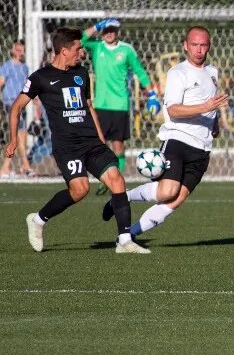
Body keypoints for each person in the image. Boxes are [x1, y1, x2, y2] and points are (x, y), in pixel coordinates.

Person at [4, 27, 147, 253]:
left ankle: (125, 241)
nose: (82, 52)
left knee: (117, 180)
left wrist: (100, 138)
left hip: (91, 142)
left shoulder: (81, 74)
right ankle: (39, 220)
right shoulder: (41, 77)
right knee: (80, 189)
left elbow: (88, 107)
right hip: (67, 146)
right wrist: (12, 140)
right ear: (63, 50)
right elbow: (16, 108)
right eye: (78, 48)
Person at [103, 26, 227, 240]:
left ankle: (129, 235)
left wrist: (213, 124)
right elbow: (173, 110)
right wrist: (205, 108)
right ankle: (122, 197)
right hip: (178, 140)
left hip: (203, 148)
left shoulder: (212, 72)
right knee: (167, 191)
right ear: (185, 46)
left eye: (203, 45)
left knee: (174, 201)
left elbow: (210, 105)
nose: (199, 50)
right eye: (194, 45)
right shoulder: (178, 73)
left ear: (209, 47)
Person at [81, 18, 161, 194]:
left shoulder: (126, 50)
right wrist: (95, 27)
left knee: (118, 146)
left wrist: (152, 94)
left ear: (118, 32)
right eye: (106, 30)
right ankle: (105, 177)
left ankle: (116, 180)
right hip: (100, 104)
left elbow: (140, 71)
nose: (109, 33)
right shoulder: (97, 47)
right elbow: (80, 40)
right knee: (100, 145)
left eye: (112, 30)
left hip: (120, 105)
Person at [0, 40, 39, 177]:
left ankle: (9, 167)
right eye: (18, 49)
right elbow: (1, 83)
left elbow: (28, 85)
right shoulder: (7, 66)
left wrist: (36, 102)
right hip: (11, 103)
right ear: (12, 50)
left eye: (22, 50)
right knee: (19, 135)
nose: (20, 52)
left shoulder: (24, 67)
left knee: (18, 135)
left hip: (22, 104)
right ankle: (24, 166)